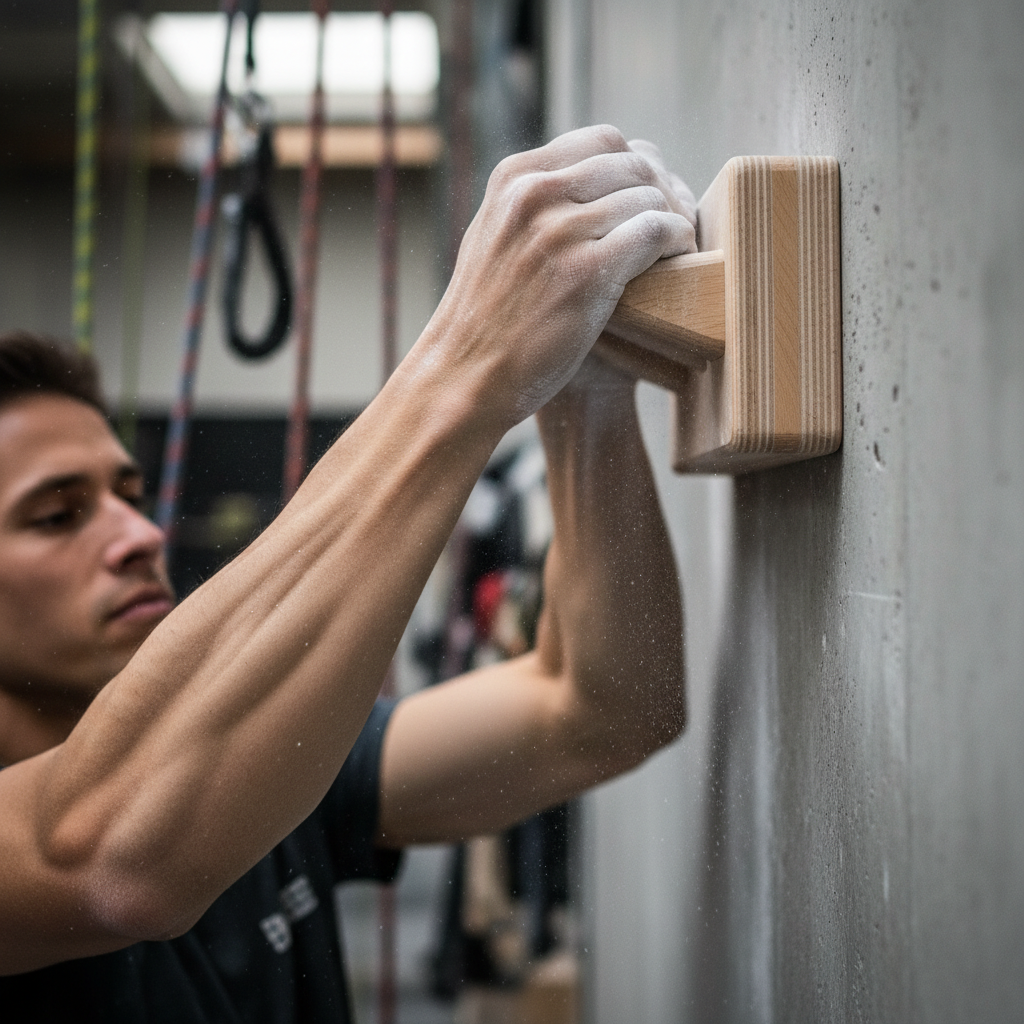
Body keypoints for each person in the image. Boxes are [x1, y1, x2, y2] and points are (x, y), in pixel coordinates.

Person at [0, 126, 694, 1021]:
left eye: (128, 494)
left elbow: (602, 706)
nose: (136, 532)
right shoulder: (82, 838)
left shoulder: (266, 758)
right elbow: (107, 857)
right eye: (58, 514)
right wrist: (472, 362)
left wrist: (582, 393)